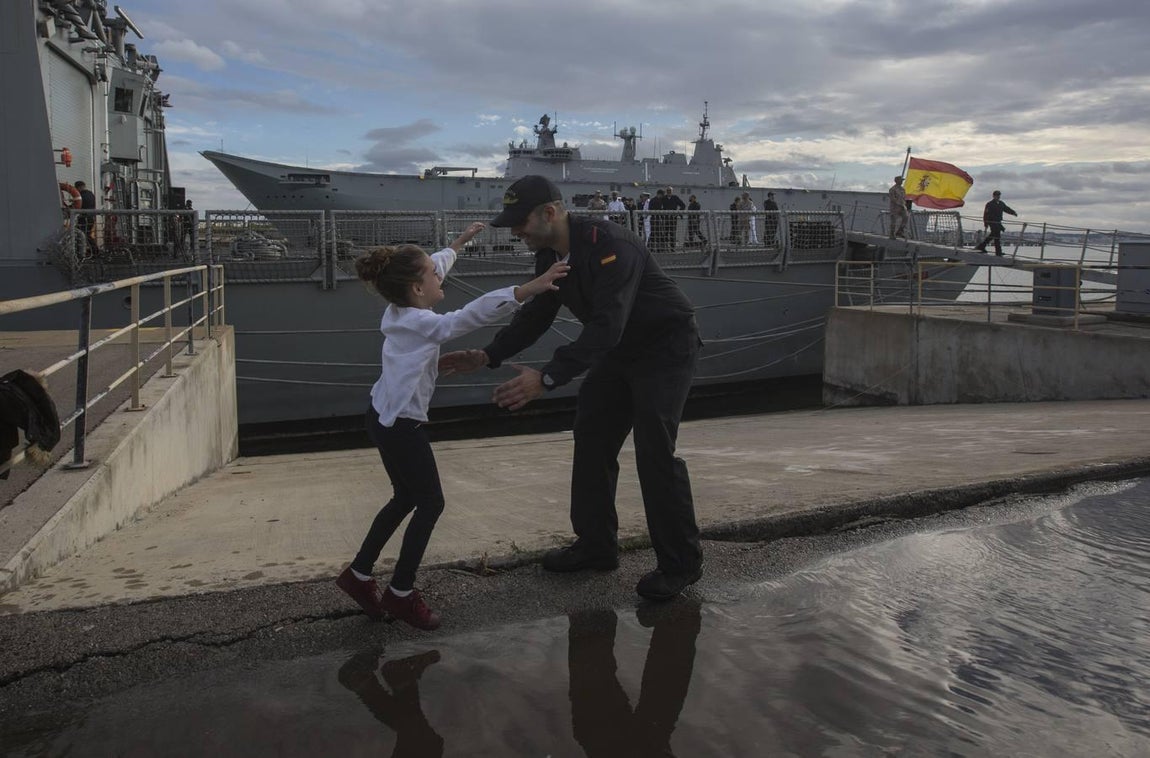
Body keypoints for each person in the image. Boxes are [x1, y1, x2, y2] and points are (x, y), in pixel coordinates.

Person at [440, 175, 704, 601]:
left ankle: (681, 564)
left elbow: (607, 324)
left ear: (550, 212)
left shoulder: (611, 244)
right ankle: (596, 545)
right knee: (592, 436)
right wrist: (489, 355)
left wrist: (547, 378)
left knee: (655, 449)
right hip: (616, 351)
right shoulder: (549, 254)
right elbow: (538, 314)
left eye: (519, 222)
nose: (514, 232)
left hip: (664, 348)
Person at [337, 221, 569, 629]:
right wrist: (530, 288)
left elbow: (436, 268)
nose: (439, 275)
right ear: (417, 289)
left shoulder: (402, 310)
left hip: (382, 415)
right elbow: (464, 319)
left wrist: (457, 245)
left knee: (404, 499)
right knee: (431, 502)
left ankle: (358, 576)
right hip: (400, 424)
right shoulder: (423, 323)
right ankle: (402, 592)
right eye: (432, 274)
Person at [975, 190, 1018, 256]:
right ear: (993, 196)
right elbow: (985, 214)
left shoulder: (1001, 203)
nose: (998, 196)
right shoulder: (989, 204)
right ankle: (997, 252)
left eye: (998, 195)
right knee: (996, 236)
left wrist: (1013, 212)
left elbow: (1006, 209)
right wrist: (986, 224)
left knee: (994, 236)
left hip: (998, 222)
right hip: (992, 222)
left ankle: (982, 247)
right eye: (996, 195)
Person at [73, 180, 98, 254]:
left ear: (79, 187)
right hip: (91, 218)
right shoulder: (90, 194)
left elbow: (78, 205)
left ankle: (90, 251)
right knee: (85, 234)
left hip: (84, 219)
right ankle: (91, 251)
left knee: (82, 234)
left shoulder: (81, 196)